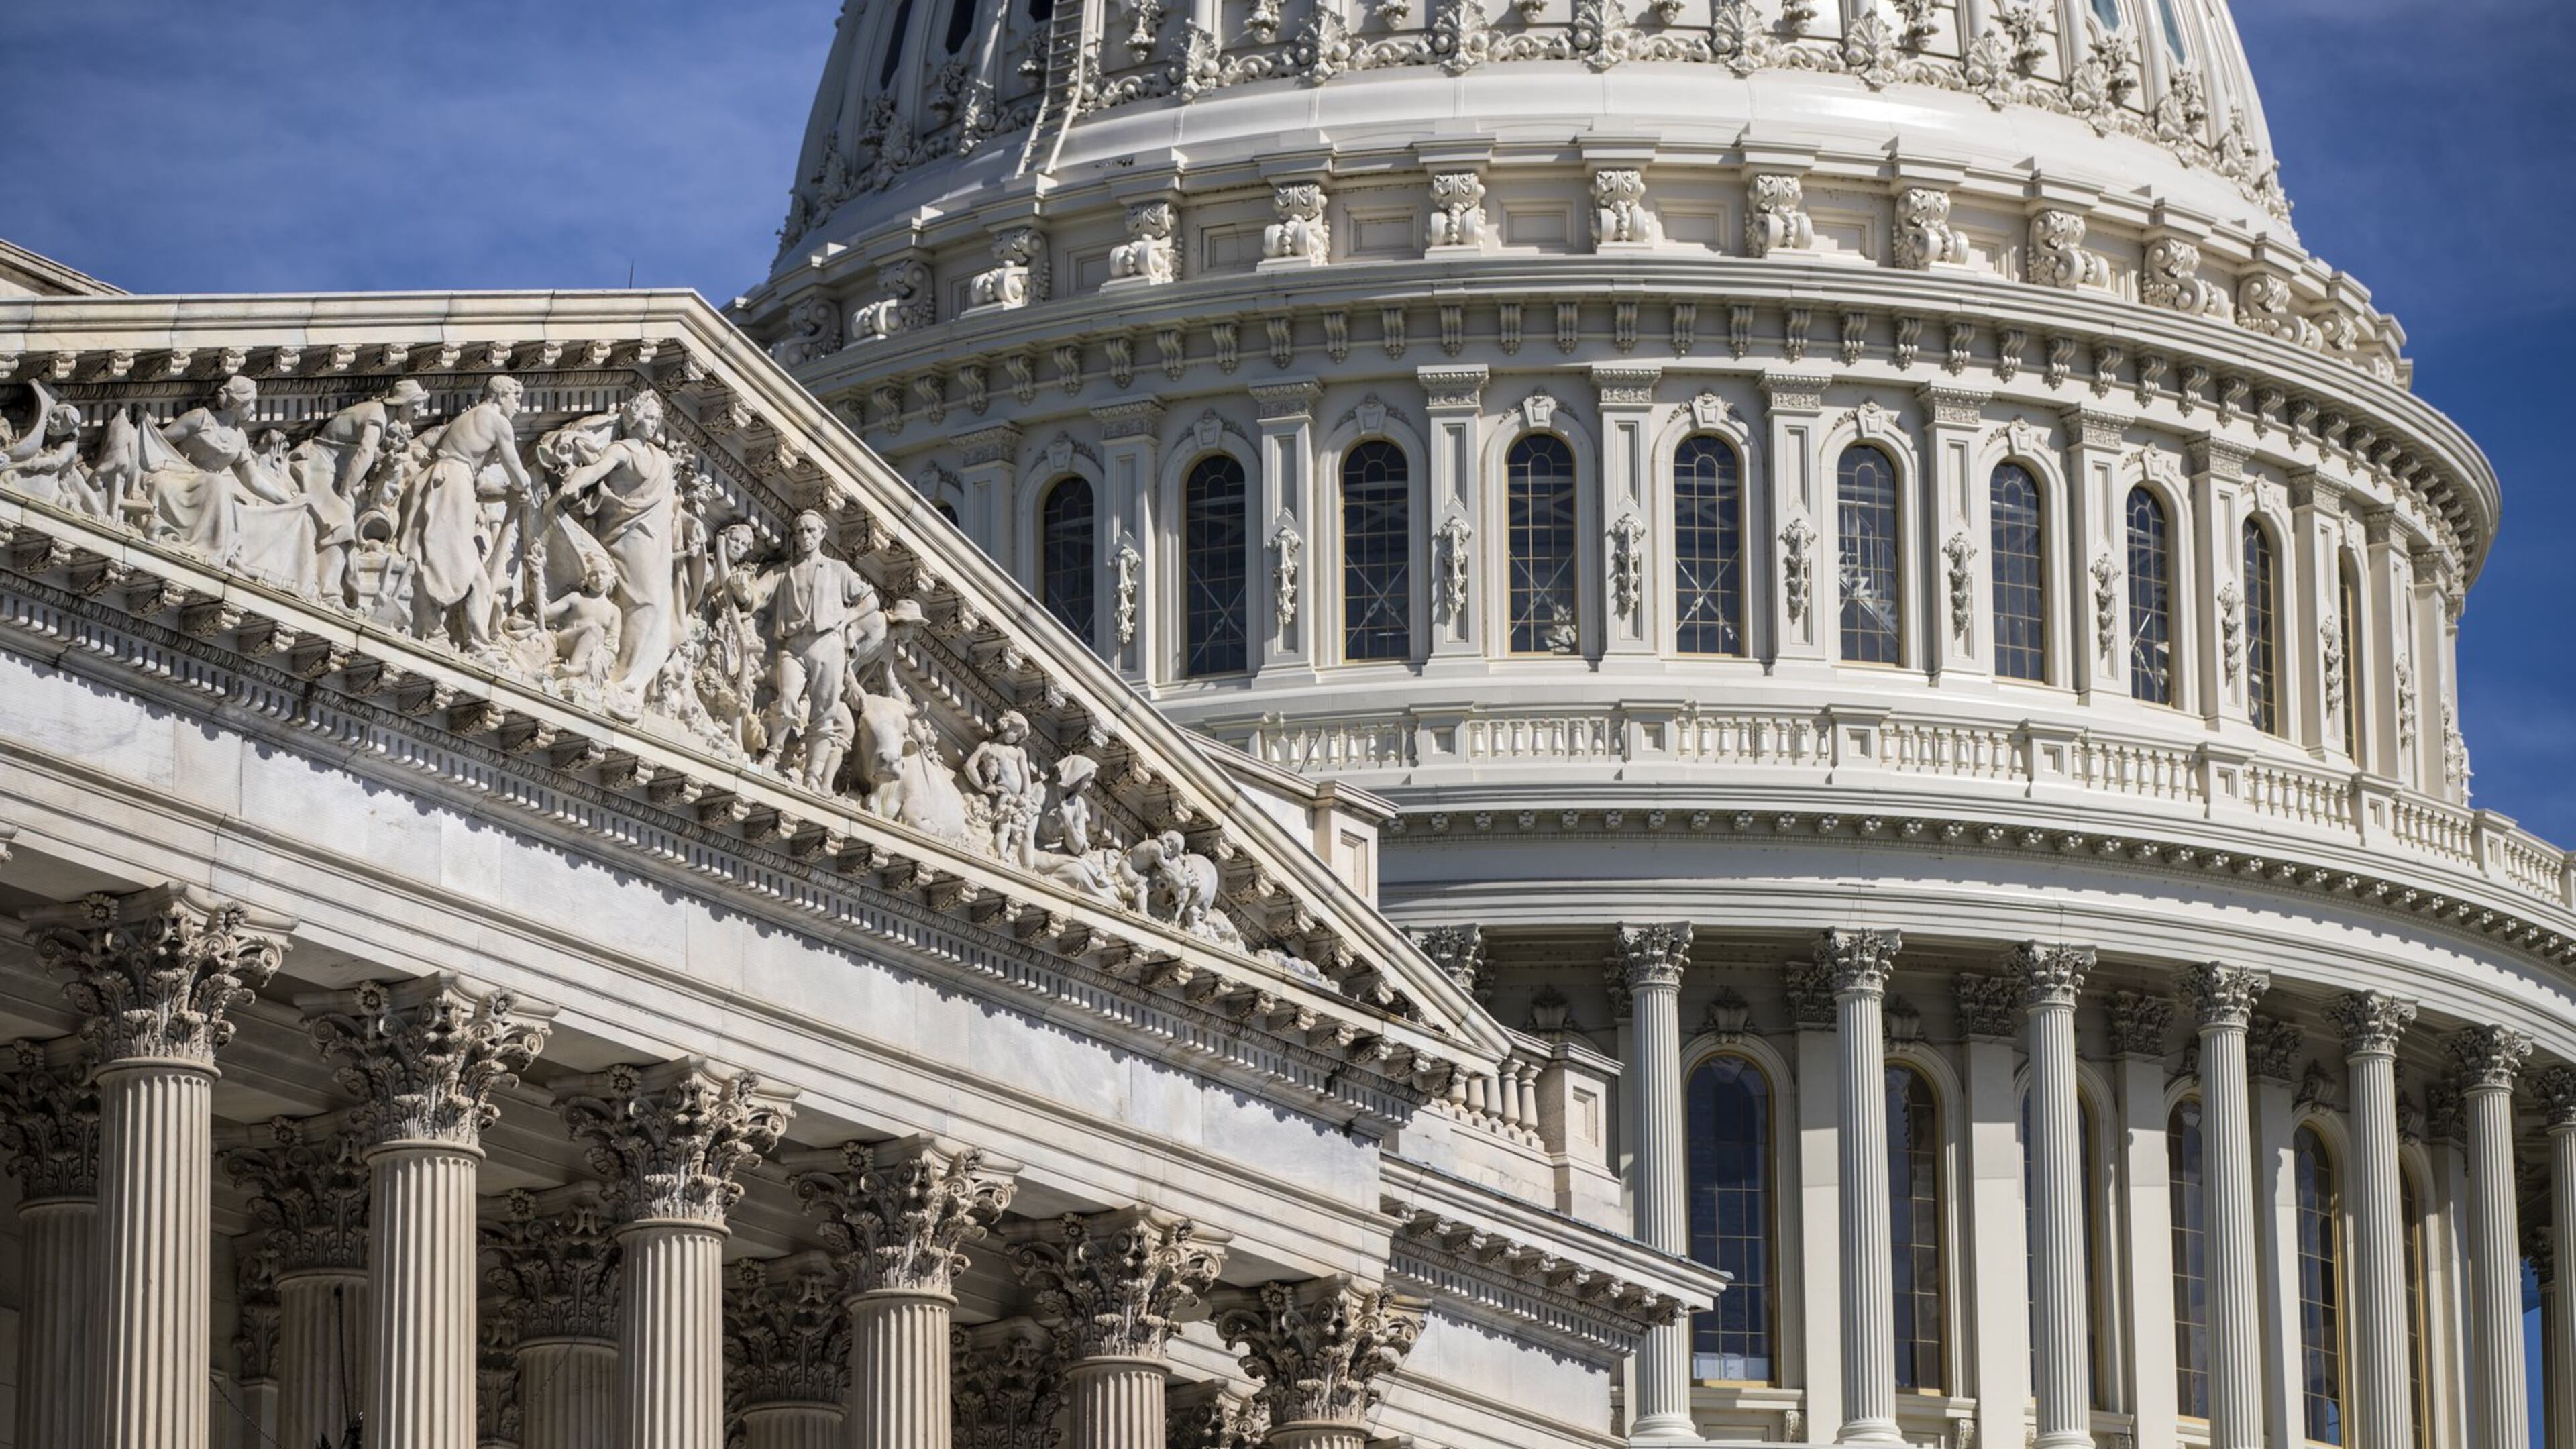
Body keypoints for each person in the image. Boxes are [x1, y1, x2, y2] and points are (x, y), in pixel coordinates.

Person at [551, 392, 680, 712]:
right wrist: (573, 483)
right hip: (627, 536)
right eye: (649, 417)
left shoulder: (662, 459)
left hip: (657, 541)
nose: (654, 424)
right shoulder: (622, 450)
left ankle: (627, 680)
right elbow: (596, 470)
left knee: (656, 603)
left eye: (657, 419)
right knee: (642, 600)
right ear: (633, 419)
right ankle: (619, 678)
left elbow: (674, 506)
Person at [749, 508, 885, 790]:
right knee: (787, 699)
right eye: (800, 531)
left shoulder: (838, 570)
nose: (805, 536)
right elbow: (755, 595)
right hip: (793, 645)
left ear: (823, 534)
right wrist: (740, 585)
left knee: (824, 711)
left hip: (828, 644)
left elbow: (870, 600)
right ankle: (773, 753)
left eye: (811, 530)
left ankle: (812, 774)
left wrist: (847, 618)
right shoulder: (783, 572)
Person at [401, 375, 533, 656]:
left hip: (440, 483)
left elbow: (479, 485)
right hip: (452, 488)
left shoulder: (466, 421)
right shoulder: (497, 421)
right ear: (500, 395)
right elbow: (517, 472)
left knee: (444, 558)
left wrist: (505, 494)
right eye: (516, 398)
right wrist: (524, 488)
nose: (518, 408)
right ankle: (469, 640)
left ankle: (468, 637)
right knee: (449, 558)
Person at [963, 710, 1044, 863]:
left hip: (1019, 798)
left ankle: (1024, 862)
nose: (1017, 738)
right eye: (1016, 732)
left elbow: (1026, 775)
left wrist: (1027, 796)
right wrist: (984, 788)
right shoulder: (988, 746)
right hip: (1004, 795)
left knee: (1022, 830)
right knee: (1004, 826)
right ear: (1005, 725)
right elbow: (970, 766)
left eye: (1020, 735)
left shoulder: (1019, 751)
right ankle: (1002, 854)